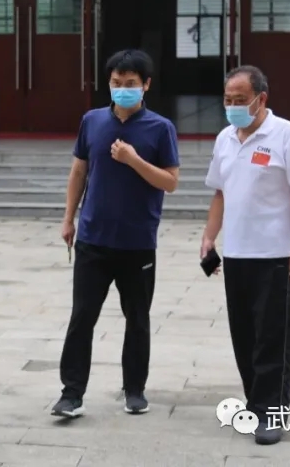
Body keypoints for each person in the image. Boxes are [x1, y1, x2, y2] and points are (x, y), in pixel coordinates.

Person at [52, 49, 179, 420]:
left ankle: (135, 390)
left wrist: (134, 160)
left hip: (137, 242)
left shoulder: (160, 128)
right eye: (116, 83)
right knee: (82, 317)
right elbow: (79, 171)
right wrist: (68, 218)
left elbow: (170, 182)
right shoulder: (92, 121)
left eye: (131, 83)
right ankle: (71, 393)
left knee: (137, 318)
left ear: (146, 85)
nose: (122, 89)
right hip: (93, 238)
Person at [201, 65, 290, 446]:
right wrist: (209, 237)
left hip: (276, 256)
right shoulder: (225, 139)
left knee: (273, 338)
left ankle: (272, 412)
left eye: (240, 100)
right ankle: (257, 402)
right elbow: (220, 193)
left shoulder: (288, 135)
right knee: (244, 336)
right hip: (237, 254)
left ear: (261, 99)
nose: (232, 106)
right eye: (227, 100)